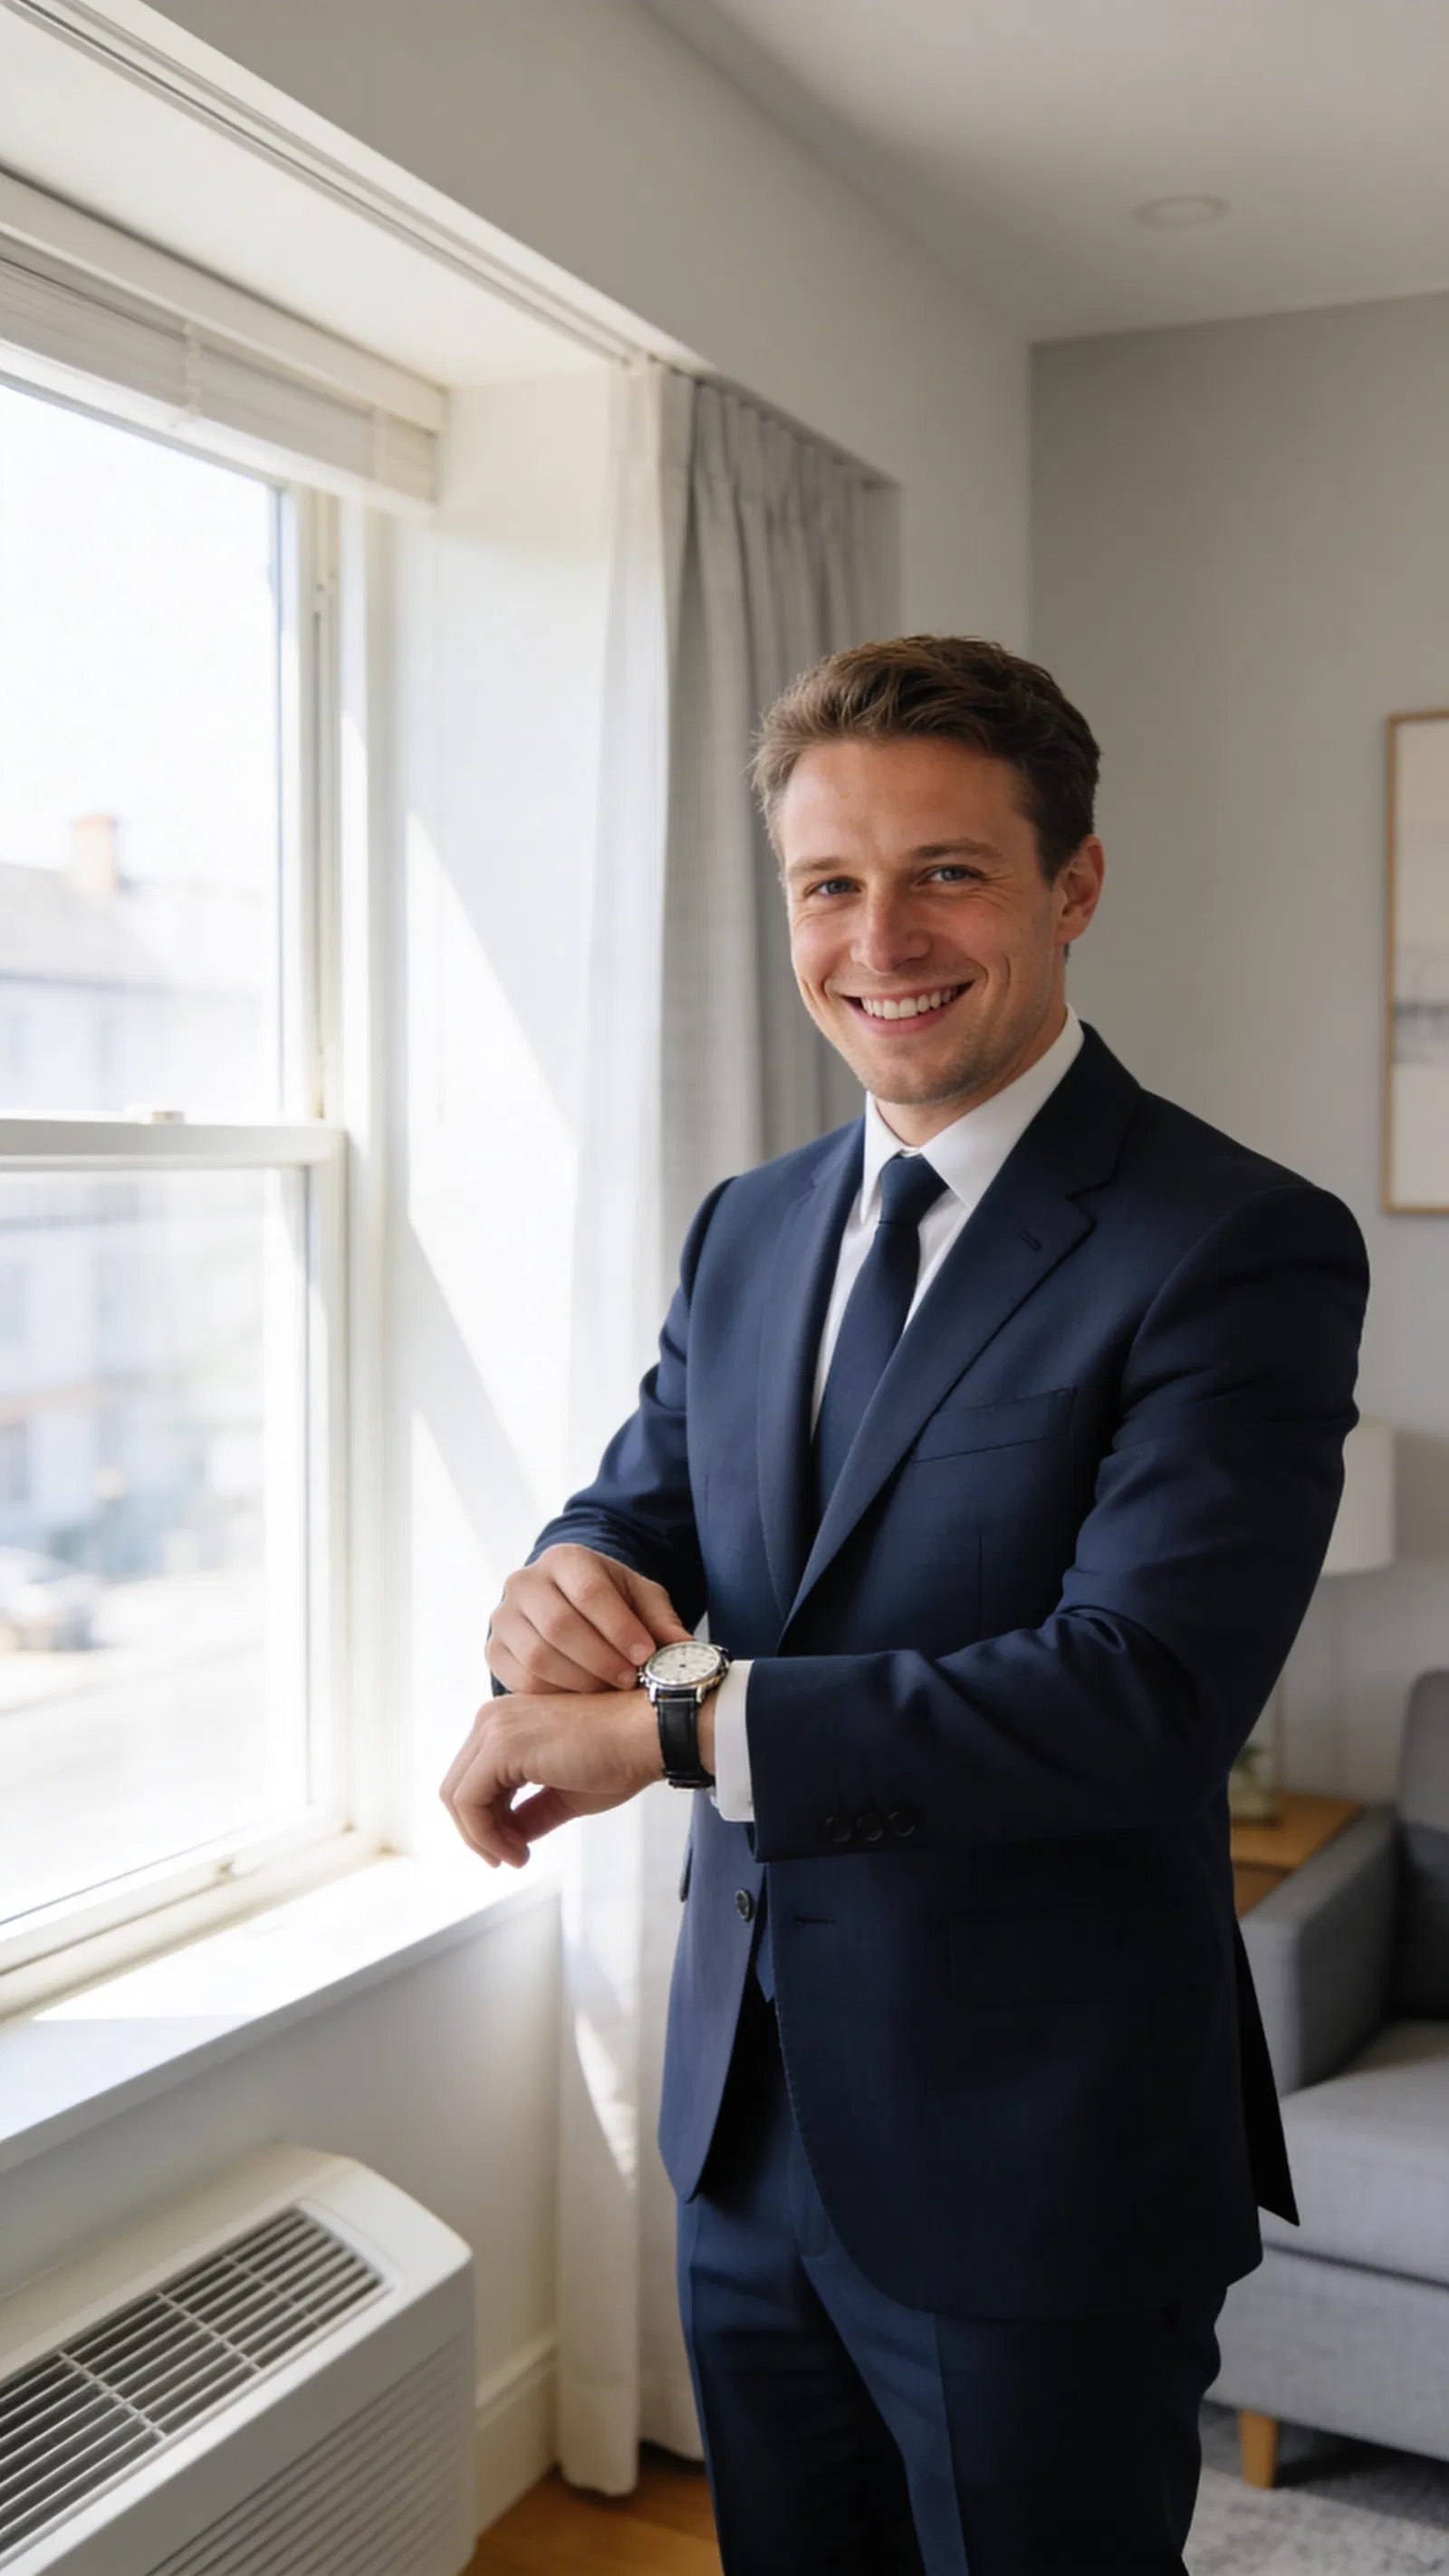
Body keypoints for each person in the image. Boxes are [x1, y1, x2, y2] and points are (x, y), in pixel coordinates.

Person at [440, 636, 1369, 2574]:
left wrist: (671, 1728)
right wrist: (556, 1593)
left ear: (1070, 885)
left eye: (944, 870)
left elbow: (1132, 1696)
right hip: (742, 2127)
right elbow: (644, 1500)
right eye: (827, 884)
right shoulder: (748, 1220)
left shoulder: (1234, 1243)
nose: (880, 936)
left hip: (1036, 2159)